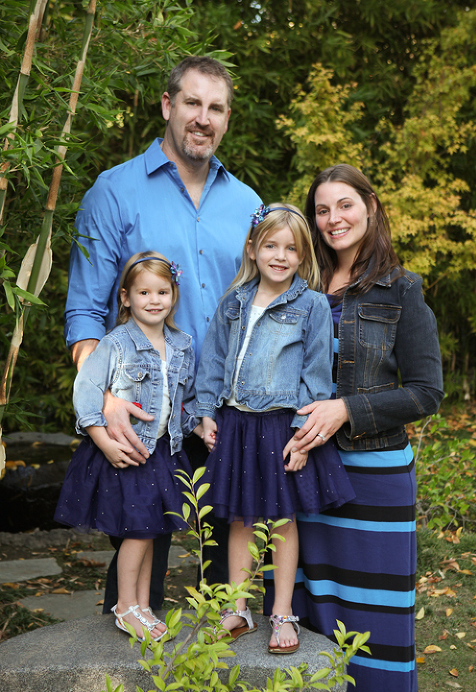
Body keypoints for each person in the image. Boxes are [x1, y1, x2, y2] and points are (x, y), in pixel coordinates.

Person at [63, 56, 261, 613]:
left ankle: (227, 658)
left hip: (226, 409)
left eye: (216, 108)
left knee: (229, 567)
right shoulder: (114, 191)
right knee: (140, 549)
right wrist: (104, 401)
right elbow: (85, 313)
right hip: (144, 410)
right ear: (168, 105)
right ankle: (125, 657)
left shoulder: (248, 205)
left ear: (227, 118)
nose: (203, 118)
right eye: (193, 103)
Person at [273, 166, 444, 692]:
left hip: (373, 474)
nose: (333, 219)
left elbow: (426, 392)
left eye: (344, 205)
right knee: (312, 605)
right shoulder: (295, 285)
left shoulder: (401, 289)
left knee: (375, 616)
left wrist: (346, 409)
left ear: (370, 205)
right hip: (306, 473)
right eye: (321, 210)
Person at [195, 204, 355, 654]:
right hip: (236, 425)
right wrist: (205, 414)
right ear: (252, 249)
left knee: (282, 520)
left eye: (291, 248)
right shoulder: (233, 302)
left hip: (282, 426)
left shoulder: (312, 305)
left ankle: (282, 611)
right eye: (270, 245)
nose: (280, 256)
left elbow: (317, 376)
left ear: (303, 256)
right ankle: (237, 607)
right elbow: (212, 363)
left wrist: (302, 436)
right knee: (241, 519)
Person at [55, 251, 199, 641]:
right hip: (128, 453)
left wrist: (201, 425)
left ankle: (142, 605)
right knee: (138, 532)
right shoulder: (116, 343)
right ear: (126, 297)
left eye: (162, 292)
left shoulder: (181, 344)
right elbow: (86, 391)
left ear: (173, 295)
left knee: (150, 531)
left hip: (163, 452)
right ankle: (124, 606)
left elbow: (184, 399)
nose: (154, 300)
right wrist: (103, 442)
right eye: (144, 293)